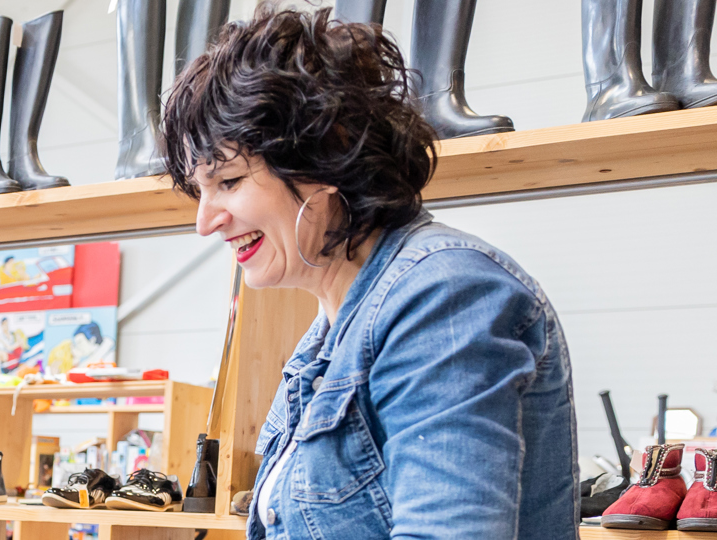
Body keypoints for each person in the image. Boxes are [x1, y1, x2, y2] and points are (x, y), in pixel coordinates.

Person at [162, 7, 576, 540]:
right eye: (200, 191)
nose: (205, 222)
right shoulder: (325, 337)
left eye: (229, 181)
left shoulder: (444, 293)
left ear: (323, 153)